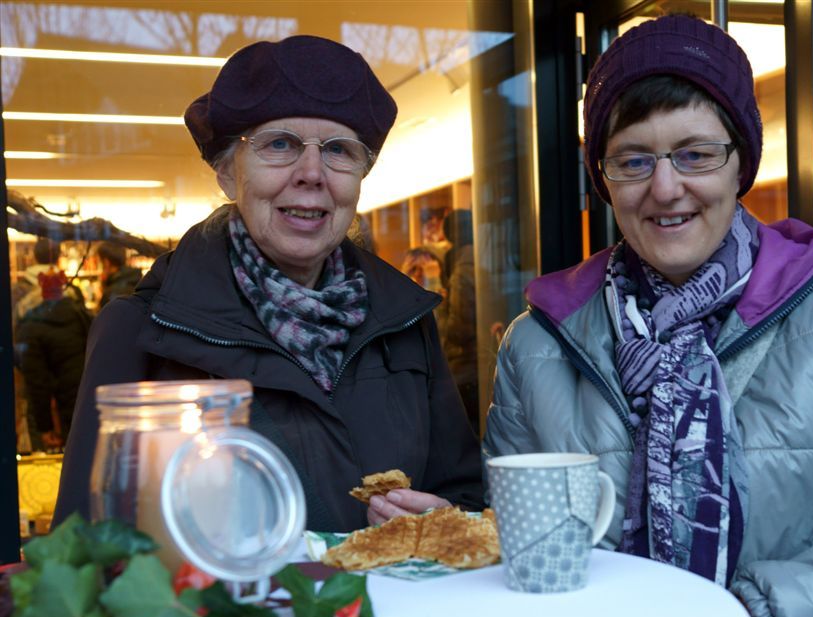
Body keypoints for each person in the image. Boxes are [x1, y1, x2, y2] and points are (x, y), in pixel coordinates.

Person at [483, 15, 813, 617]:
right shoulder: (537, 344)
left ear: (741, 160)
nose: (665, 188)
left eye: (696, 154)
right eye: (633, 159)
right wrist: (464, 539)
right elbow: (518, 551)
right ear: (603, 178)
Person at [54, 35, 482, 532]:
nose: (311, 173)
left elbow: (465, 497)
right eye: (279, 144)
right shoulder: (143, 332)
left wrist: (446, 522)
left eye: (338, 150)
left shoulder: (405, 323)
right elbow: (83, 551)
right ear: (227, 173)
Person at [14, 238, 92, 449]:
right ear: (58, 257)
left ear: (32, 257)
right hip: (79, 394)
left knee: (49, 456)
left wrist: (44, 426)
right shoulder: (75, 300)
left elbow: (36, 378)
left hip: (46, 400)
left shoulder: (22, 298)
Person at [440, 209, 479, 434]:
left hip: (465, 368)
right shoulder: (473, 260)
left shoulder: (463, 269)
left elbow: (459, 329)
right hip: (472, 366)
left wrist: (439, 311)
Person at [96, 241, 142, 308]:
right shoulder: (137, 280)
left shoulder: (110, 294)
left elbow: (103, 313)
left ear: (106, 263)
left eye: (100, 262)